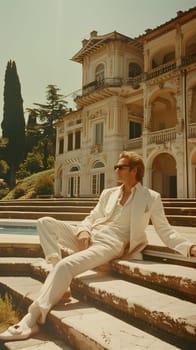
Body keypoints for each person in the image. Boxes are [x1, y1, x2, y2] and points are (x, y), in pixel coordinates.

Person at [0, 151, 196, 341]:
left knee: (65, 266)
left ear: (134, 170)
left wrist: (189, 248)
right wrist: (84, 230)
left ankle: (31, 319)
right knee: (44, 222)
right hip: (90, 235)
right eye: (116, 166)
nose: (116, 170)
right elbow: (91, 217)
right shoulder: (108, 193)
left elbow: (166, 231)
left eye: (120, 167)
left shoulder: (150, 197)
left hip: (111, 244)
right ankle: (60, 281)